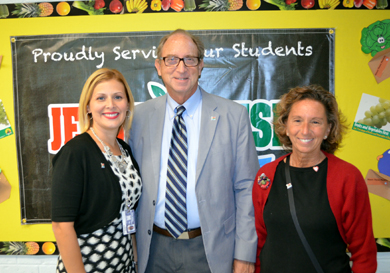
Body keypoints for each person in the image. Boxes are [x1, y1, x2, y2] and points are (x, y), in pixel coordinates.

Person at [129, 29, 259, 273]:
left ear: (201, 66)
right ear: (159, 66)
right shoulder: (138, 117)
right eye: (171, 59)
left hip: (211, 251)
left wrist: (244, 254)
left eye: (190, 59)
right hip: (153, 250)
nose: (181, 68)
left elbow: (246, 188)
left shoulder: (233, 116)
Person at [252, 85, 377, 273]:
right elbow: (258, 241)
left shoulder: (347, 177)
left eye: (316, 122)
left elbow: (364, 253)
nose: (305, 130)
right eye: (297, 120)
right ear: (285, 126)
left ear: (328, 129)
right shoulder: (266, 175)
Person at [51, 68, 142, 273]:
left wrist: (135, 260)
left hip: (124, 265)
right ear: (88, 107)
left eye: (118, 97)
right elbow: (61, 226)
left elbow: (129, 213)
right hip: (89, 267)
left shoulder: (125, 150)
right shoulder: (75, 152)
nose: (110, 104)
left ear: (127, 105)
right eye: (101, 98)